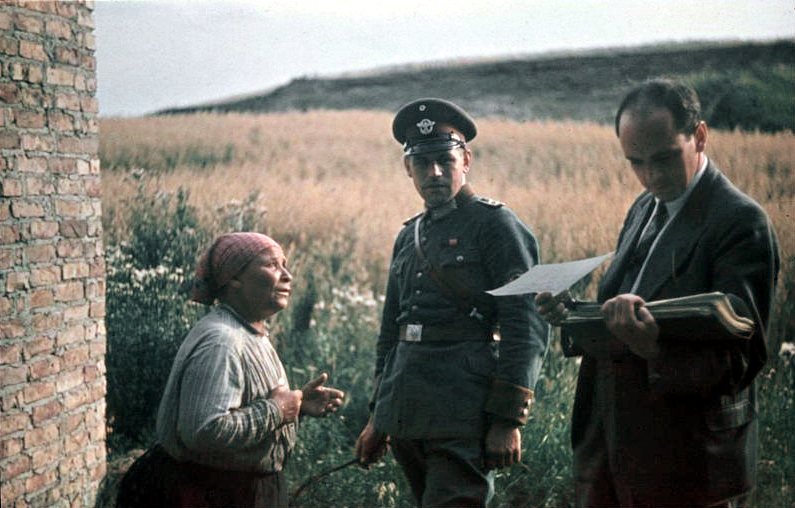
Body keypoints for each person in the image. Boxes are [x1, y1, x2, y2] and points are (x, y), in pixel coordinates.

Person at [536, 79, 779, 507]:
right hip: (610, 452)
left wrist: (654, 349)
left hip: (688, 465)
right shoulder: (643, 207)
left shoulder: (741, 222)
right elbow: (631, 307)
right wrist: (571, 313)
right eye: (636, 162)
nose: (651, 176)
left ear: (699, 136)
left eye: (665, 159)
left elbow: (745, 359)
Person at [355, 98, 549, 507]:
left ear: (467, 160)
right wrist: (379, 416)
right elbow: (392, 331)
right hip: (408, 410)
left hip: (464, 412)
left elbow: (524, 323)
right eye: (423, 164)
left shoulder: (496, 225)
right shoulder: (409, 236)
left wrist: (508, 419)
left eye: (445, 160)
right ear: (409, 168)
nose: (435, 173)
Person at [117, 232, 345, 508]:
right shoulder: (222, 341)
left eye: (284, 264)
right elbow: (204, 431)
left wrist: (296, 407)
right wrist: (275, 411)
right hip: (209, 495)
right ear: (234, 278)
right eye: (272, 265)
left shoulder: (248, 332)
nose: (287, 275)